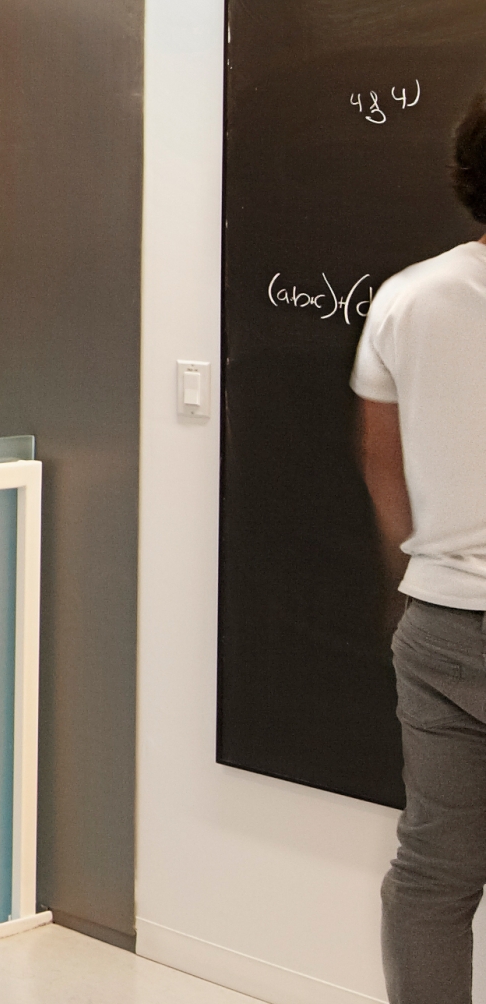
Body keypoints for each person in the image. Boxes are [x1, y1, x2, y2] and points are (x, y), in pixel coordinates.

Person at [360, 93, 486, 1004]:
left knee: (436, 874)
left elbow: (383, 465)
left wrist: (414, 580)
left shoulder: (410, 296)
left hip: (440, 622)